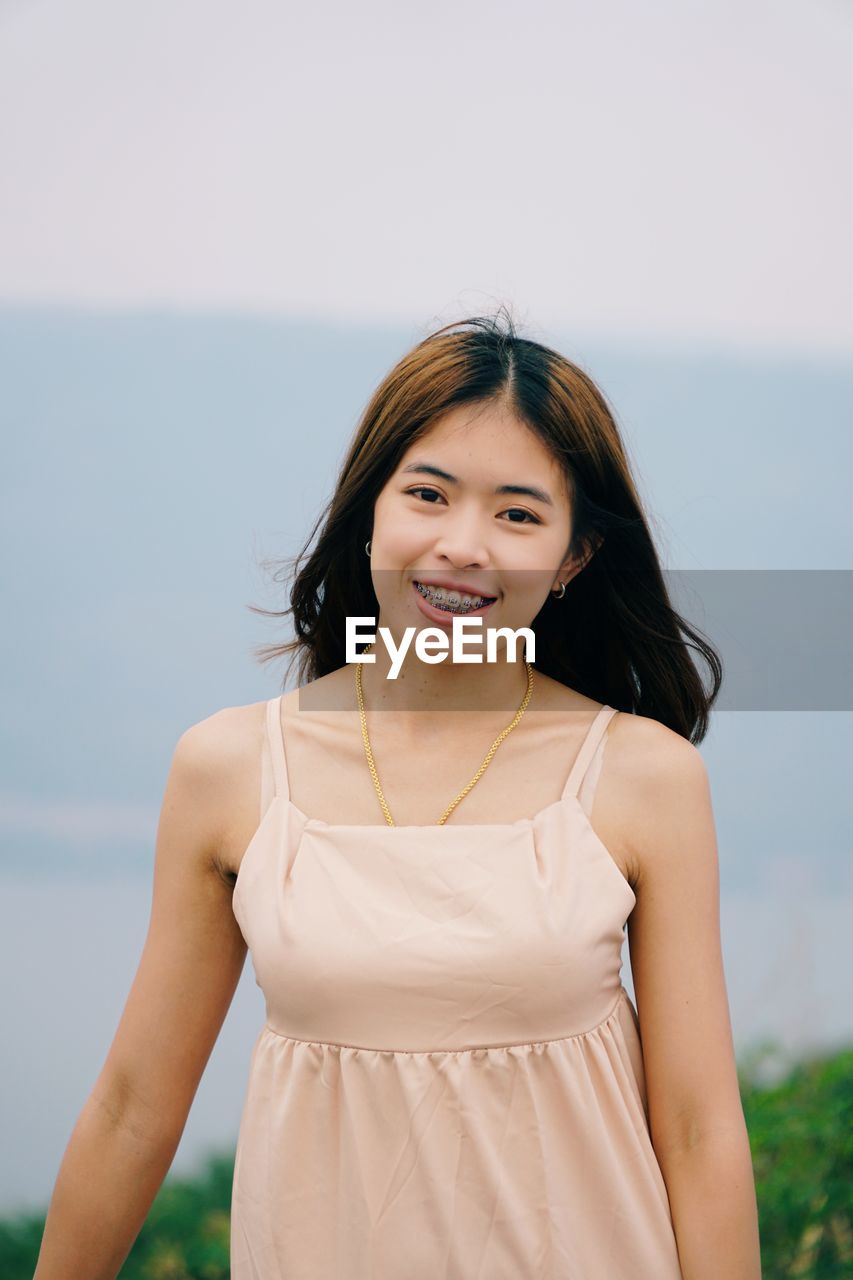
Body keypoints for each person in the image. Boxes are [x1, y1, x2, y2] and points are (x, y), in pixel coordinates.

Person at [34, 312, 762, 1279]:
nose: (463, 545)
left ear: (575, 556)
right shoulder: (230, 768)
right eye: (428, 494)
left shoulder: (642, 777)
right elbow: (133, 1108)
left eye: (517, 513)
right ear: (369, 506)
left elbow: (698, 1127)